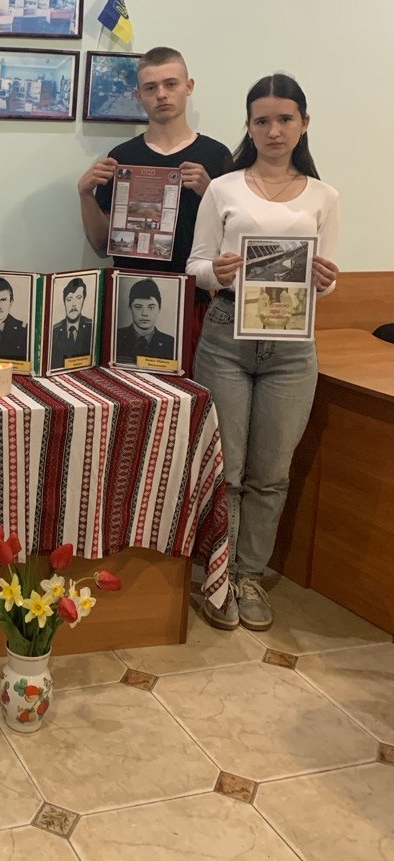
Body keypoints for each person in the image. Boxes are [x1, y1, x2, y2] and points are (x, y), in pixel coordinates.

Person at [187, 74, 339, 633]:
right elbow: (196, 266)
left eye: (285, 119)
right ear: (249, 126)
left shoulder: (325, 196)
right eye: (262, 120)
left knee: (271, 473)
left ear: (304, 123)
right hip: (227, 337)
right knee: (226, 470)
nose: (274, 130)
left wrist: (325, 279)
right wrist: (217, 271)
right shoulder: (224, 188)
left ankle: (248, 575)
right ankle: (218, 576)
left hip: (292, 347)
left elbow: (325, 280)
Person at [78, 47, 231, 331]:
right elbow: (101, 245)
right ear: (138, 96)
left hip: (193, 297)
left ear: (189, 87)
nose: (161, 94)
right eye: (150, 87)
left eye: (170, 84)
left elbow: (231, 245)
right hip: (127, 296)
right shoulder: (121, 158)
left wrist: (211, 193)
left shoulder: (216, 155)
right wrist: (85, 194)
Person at [115, 277, 176, 364]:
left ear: (159, 309)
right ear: (130, 308)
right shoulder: (116, 337)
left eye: (151, 307)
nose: (144, 313)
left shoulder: (171, 344)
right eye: (138, 307)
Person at [49, 275, 94, 369]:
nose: (74, 304)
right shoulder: (54, 331)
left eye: (78, 298)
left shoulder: (92, 328)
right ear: (64, 302)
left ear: (83, 300)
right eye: (69, 299)